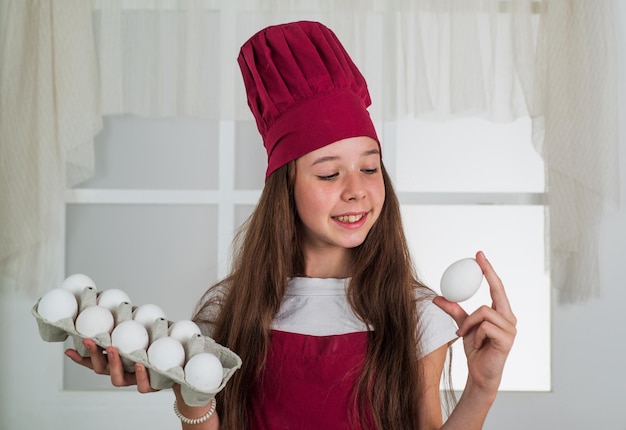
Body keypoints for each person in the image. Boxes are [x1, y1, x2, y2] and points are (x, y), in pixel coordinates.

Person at [66, 20, 516, 430]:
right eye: (328, 173)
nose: (356, 189)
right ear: (286, 187)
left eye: (370, 167)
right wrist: (192, 397)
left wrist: (481, 389)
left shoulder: (417, 314)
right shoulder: (229, 313)